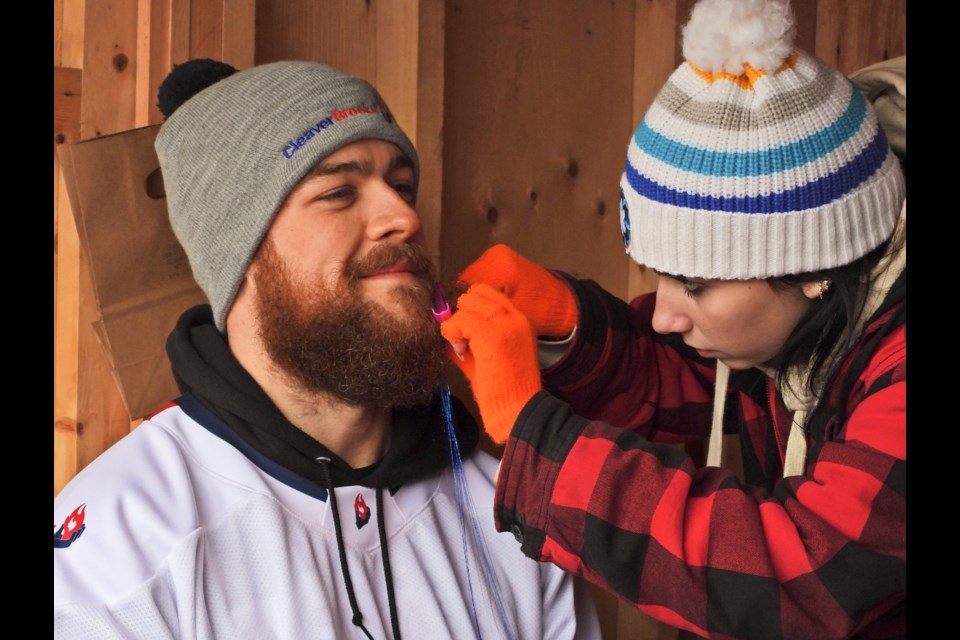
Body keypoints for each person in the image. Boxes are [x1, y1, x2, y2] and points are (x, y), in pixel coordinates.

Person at [53, 59, 602, 640]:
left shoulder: (509, 508)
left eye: (402, 186)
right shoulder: (118, 544)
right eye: (340, 191)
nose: (404, 217)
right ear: (238, 254)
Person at [440, 0, 905, 638]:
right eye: (656, 273)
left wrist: (536, 436)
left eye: (693, 284)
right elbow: (686, 376)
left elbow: (801, 577)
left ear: (813, 267)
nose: (661, 315)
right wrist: (570, 332)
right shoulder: (811, 317)